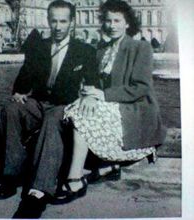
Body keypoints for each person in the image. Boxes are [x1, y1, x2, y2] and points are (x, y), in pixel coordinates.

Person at [0, 0, 98, 218]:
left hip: (63, 106)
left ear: (71, 22)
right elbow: (24, 76)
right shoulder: (38, 46)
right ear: (49, 21)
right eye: (54, 21)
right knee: (11, 109)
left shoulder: (84, 51)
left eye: (63, 21)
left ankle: (39, 192)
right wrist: (18, 92)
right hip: (38, 103)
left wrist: (91, 97)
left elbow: (94, 82)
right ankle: (12, 176)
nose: (58, 27)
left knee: (54, 119)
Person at [54, 0, 167, 204]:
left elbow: (141, 88)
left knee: (81, 115)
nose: (111, 25)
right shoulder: (102, 49)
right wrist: (88, 93)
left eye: (117, 20)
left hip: (134, 108)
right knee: (75, 108)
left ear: (127, 23)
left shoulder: (140, 47)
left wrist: (101, 95)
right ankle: (107, 167)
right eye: (108, 20)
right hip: (111, 105)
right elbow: (92, 82)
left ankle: (75, 179)